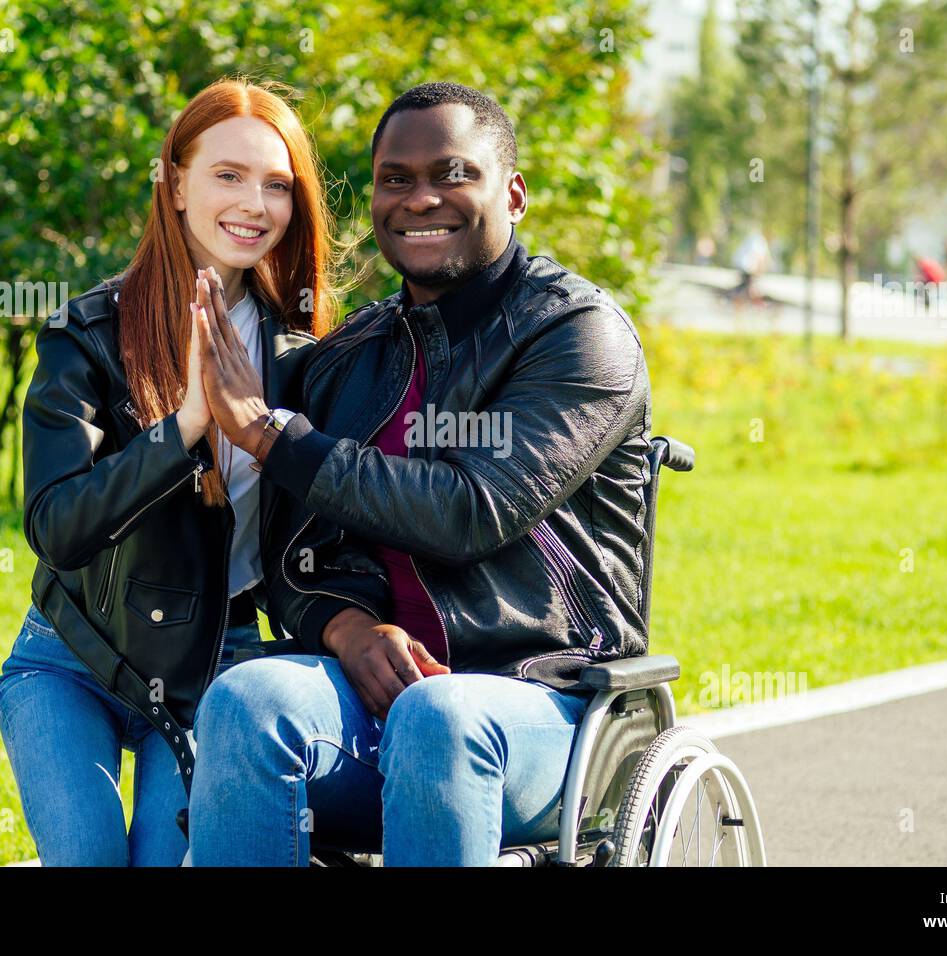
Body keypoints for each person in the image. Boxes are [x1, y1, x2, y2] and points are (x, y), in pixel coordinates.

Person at [186, 82, 653, 866]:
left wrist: (273, 435)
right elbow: (291, 556)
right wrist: (345, 626)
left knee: (439, 715)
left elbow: (470, 510)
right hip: (377, 709)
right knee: (246, 700)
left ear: (513, 193)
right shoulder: (352, 358)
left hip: (559, 703)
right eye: (395, 179)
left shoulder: (577, 335)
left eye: (452, 173)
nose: (420, 198)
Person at [0, 78, 337, 865]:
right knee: (87, 857)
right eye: (228, 175)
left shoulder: (308, 355)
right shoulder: (85, 333)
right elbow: (57, 527)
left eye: (277, 185)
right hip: (68, 655)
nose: (255, 203)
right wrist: (186, 422)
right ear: (175, 184)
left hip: (211, 666)